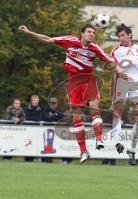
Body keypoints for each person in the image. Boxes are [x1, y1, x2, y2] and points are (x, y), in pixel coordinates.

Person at [18, 24, 125, 163]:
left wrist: (122, 73)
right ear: (82, 33)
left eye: (93, 32)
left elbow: (110, 61)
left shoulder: (95, 48)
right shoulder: (70, 41)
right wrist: (28, 32)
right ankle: (83, 152)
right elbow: (48, 39)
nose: (92, 34)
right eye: (89, 32)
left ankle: (99, 141)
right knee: (77, 117)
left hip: (88, 81)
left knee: (94, 107)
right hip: (74, 83)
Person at [111, 24, 138, 165]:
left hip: (137, 84)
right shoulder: (116, 51)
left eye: (122, 35)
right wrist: (122, 75)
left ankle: (131, 150)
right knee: (117, 114)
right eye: (119, 36)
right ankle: (118, 143)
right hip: (122, 83)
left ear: (130, 35)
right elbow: (115, 69)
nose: (120, 38)